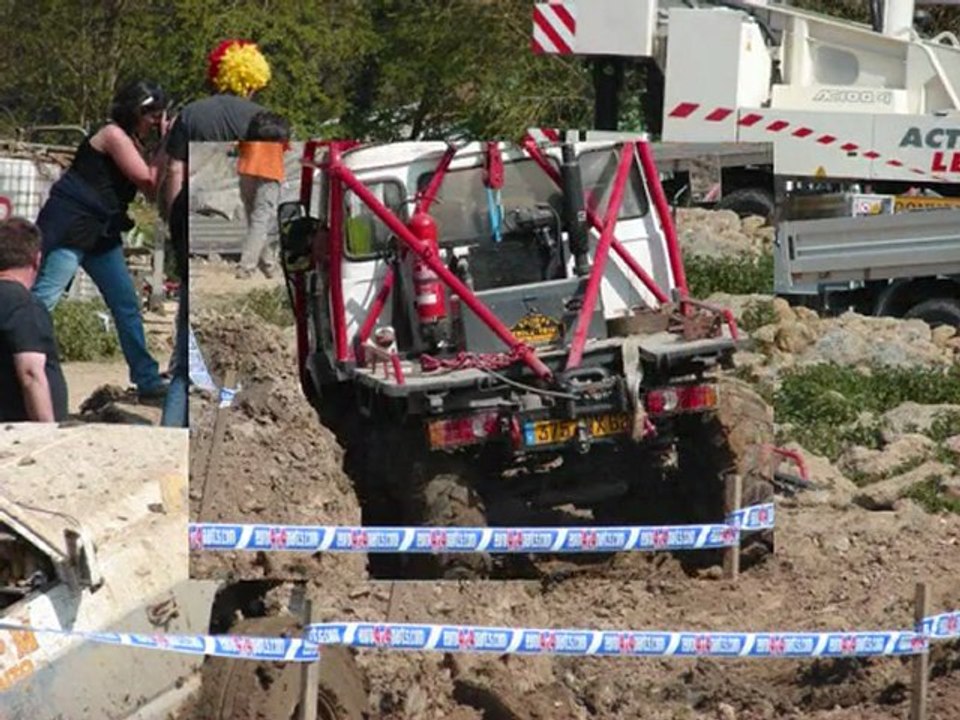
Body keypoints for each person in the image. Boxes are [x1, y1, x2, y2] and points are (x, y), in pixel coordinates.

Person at [32, 79, 169, 400]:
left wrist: (163, 147)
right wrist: (169, 143)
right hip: (72, 227)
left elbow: (152, 191)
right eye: (152, 114)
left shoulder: (132, 141)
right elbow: (148, 178)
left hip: (100, 232)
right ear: (135, 111)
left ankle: (147, 379)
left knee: (126, 305)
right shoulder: (112, 135)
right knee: (42, 303)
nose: (155, 121)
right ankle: (15, 369)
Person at [161, 38, 273, 427]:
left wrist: (171, 218)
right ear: (253, 78)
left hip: (189, 226)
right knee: (234, 350)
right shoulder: (264, 116)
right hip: (238, 219)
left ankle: (172, 431)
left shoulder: (191, 114)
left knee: (186, 347)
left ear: (219, 74)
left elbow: (173, 172)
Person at [0, 218, 68, 422]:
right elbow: (30, 373)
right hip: (17, 433)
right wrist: (45, 432)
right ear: (37, 260)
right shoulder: (23, 305)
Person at [236, 110, 290, 279]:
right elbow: (285, 148)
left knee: (255, 222)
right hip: (270, 174)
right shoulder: (280, 133)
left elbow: (238, 146)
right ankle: (246, 267)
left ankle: (269, 265)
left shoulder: (249, 132)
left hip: (246, 170)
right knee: (261, 221)